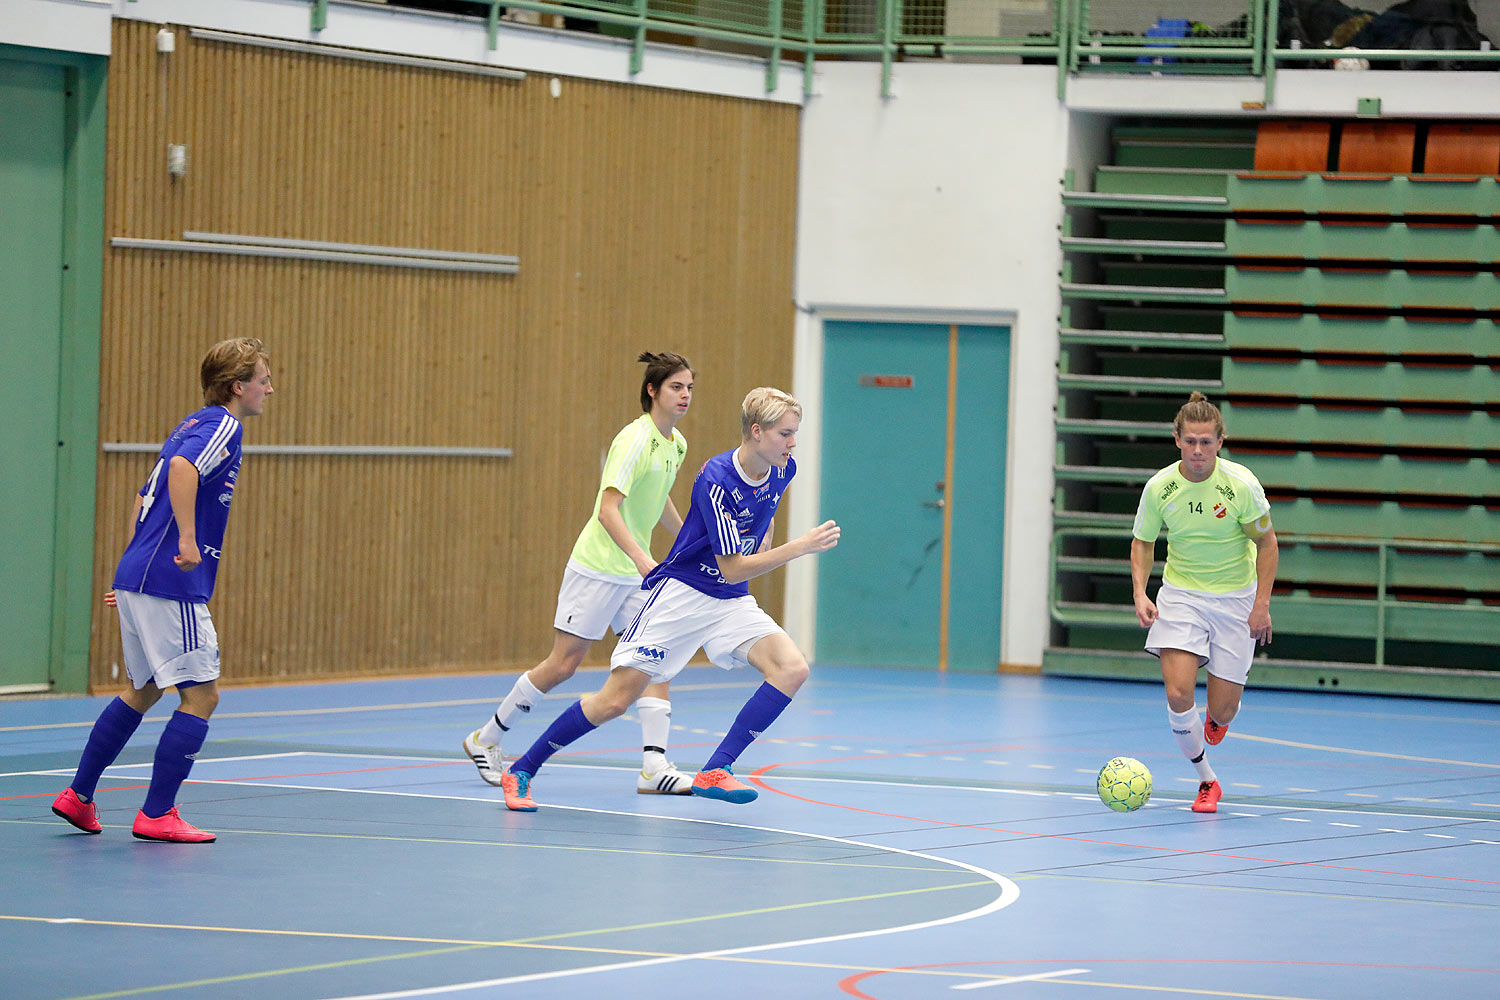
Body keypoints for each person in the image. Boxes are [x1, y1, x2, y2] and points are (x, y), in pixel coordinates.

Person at [496, 386, 839, 811]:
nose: (792, 443)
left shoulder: (783, 469)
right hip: (682, 596)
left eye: (795, 435)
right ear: (756, 432)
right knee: (615, 701)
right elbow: (731, 565)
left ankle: (717, 769)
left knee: (791, 668)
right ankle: (522, 769)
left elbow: (761, 528)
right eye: (785, 434)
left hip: (730, 600)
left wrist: (766, 548)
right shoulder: (716, 480)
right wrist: (800, 546)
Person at [51, 338, 275, 843]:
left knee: (144, 689)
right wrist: (190, 541)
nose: (269, 388)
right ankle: (157, 813)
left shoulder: (188, 425)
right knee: (203, 696)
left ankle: (79, 796)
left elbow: (143, 497)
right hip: (173, 581)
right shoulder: (224, 424)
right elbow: (180, 473)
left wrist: (132, 572)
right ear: (238, 387)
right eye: (263, 379)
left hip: (142, 575)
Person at [463, 353, 698, 794]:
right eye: (676, 387)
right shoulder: (633, 441)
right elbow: (608, 510)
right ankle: (486, 738)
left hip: (634, 574)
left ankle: (653, 768)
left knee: (654, 661)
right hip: (598, 567)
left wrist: (688, 539)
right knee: (563, 665)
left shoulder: (677, 445)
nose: (685, 395)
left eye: (689, 388)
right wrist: (644, 560)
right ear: (653, 391)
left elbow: (659, 498)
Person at [1130, 391, 1278, 815]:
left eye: (1206, 442)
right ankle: (1207, 781)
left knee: (1223, 708)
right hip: (1182, 595)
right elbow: (1143, 542)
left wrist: (1261, 605)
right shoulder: (1161, 488)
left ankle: (1216, 718)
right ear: (1177, 439)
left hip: (1235, 599)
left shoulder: (1240, 486)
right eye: (1190, 441)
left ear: (1220, 441)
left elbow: (1267, 544)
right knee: (1178, 693)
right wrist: (1141, 592)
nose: (1198, 450)